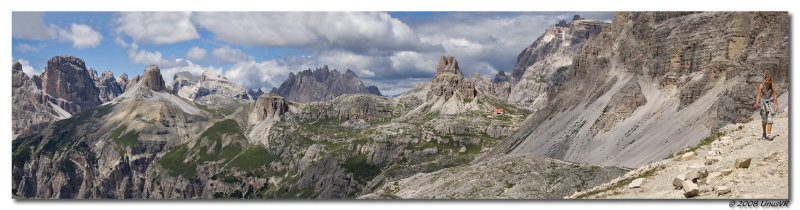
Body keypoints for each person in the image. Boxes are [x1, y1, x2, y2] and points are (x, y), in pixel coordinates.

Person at [754, 72, 778, 140]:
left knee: (770, 118)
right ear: (764, 79)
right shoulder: (761, 85)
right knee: (764, 120)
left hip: (770, 103)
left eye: (769, 80)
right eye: (766, 80)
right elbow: (758, 95)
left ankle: (769, 134)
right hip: (763, 103)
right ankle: (764, 133)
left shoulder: (772, 85)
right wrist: (757, 103)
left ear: (770, 80)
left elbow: (774, 95)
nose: (767, 81)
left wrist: (776, 105)